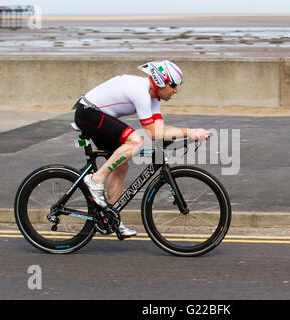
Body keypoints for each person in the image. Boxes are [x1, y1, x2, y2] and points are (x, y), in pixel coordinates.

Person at [73, 60, 209, 237]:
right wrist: (189, 132)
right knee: (136, 140)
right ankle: (96, 179)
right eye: (173, 85)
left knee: (121, 166)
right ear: (160, 81)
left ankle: (110, 218)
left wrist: (189, 133)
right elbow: (152, 132)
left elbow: (160, 129)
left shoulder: (154, 98)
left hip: (98, 116)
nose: (175, 90)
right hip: (87, 113)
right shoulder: (141, 92)